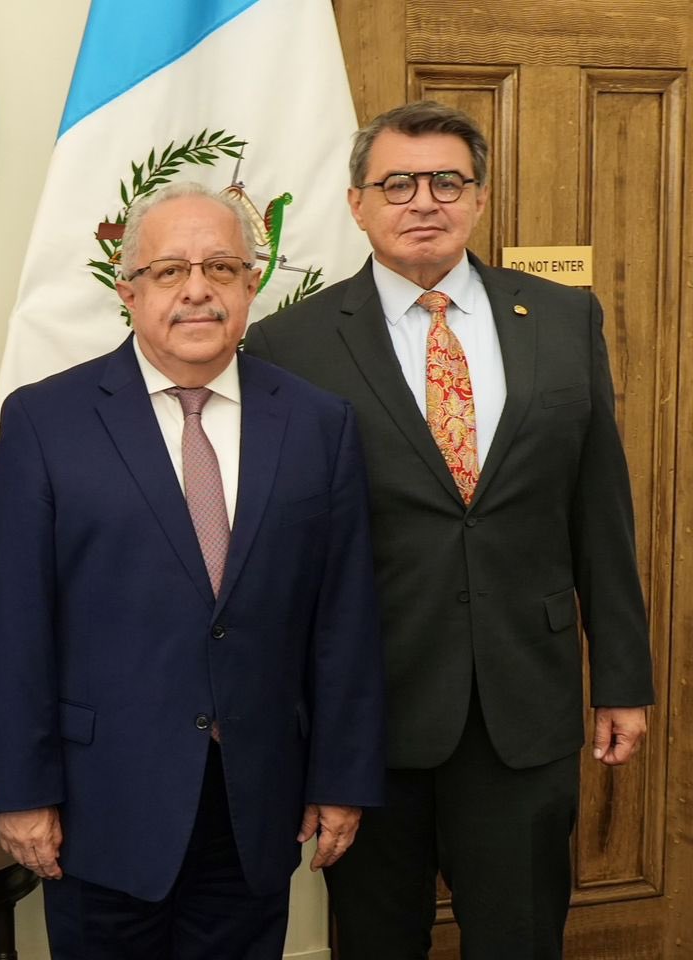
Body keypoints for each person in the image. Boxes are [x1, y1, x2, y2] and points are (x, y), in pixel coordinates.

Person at [243, 100, 655, 958]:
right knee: (377, 942)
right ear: (357, 204)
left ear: (479, 197)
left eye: (446, 181)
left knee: (521, 938)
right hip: (368, 718)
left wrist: (620, 677)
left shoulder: (564, 319)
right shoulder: (289, 346)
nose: (423, 201)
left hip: (523, 706)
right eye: (397, 183)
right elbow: (280, 553)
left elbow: (599, 509)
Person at [0, 182, 386, 959]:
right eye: (169, 271)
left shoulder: (318, 424)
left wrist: (341, 777)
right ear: (128, 290)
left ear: (251, 285)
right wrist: (23, 792)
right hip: (101, 807)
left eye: (221, 268)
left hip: (255, 804)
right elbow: (14, 628)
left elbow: (345, 621)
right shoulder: (44, 421)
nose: (197, 290)